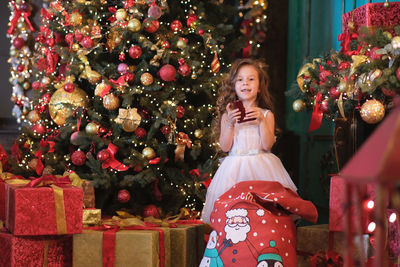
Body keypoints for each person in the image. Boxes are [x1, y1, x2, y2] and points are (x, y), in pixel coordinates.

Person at [201, 58, 297, 223]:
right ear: (234, 85)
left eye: (251, 79)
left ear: (259, 86)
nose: (245, 83)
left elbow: (267, 145)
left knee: (261, 211)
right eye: (240, 79)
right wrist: (230, 123)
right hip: (233, 168)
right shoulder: (228, 115)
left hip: (262, 167)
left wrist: (261, 121)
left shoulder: (267, 114)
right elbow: (225, 146)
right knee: (234, 211)